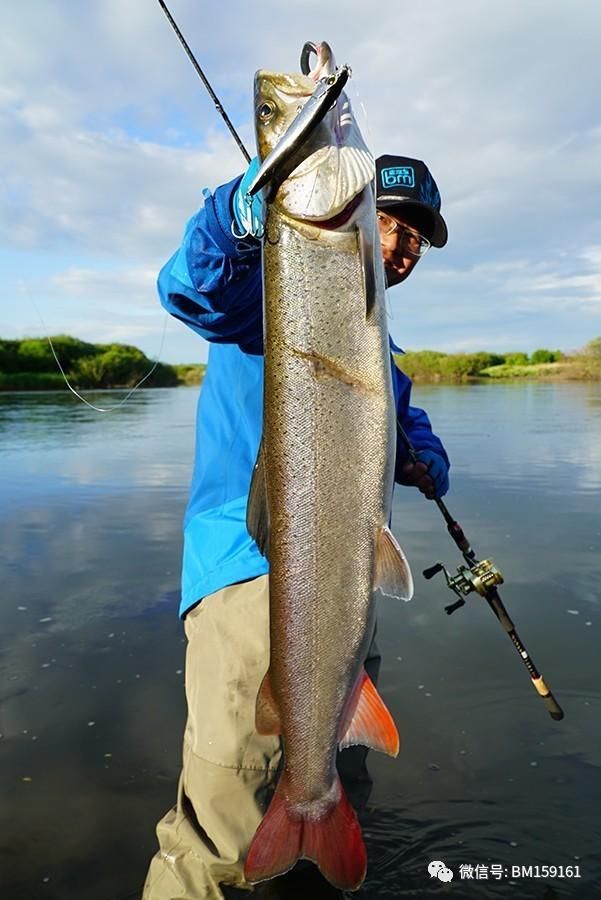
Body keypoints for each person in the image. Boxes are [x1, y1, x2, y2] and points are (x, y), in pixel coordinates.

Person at [142, 154, 450, 900]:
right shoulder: (273, 292)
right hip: (251, 576)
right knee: (225, 817)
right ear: (352, 218)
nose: (402, 247)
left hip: (346, 585)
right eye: (390, 222)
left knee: (334, 778)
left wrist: (422, 455)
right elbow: (191, 287)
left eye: (417, 237)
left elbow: (403, 430)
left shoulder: (376, 348)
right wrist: (237, 215)